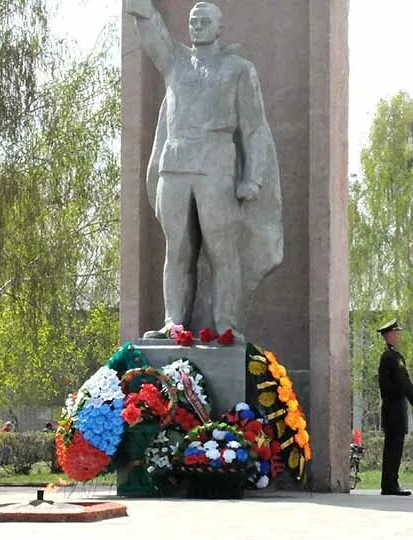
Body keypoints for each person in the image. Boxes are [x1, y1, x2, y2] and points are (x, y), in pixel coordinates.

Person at [126, 0, 283, 341]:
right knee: (177, 248)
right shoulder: (176, 62)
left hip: (216, 167)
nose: (196, 25)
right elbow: (154, 38)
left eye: (204, 21)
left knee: (221, 250)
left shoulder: (238, 69)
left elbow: (253, 128)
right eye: (193, 20)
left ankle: (227, 325)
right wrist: (140, 8)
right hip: (176, 166)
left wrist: (252, 178)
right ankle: (174, 323)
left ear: (219, 28)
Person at [377, 319, 413, 495]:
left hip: (393, 407)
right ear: (389, 334)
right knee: (393, 447)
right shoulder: (391, 357)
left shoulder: (391, 355)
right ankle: (390, 484)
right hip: (393, 408)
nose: (399, 335)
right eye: (397, 332)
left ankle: (390, 483)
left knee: (394, 446)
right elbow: (404, 382)